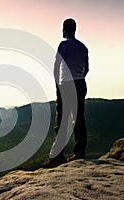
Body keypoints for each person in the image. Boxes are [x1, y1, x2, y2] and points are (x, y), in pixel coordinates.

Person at [43, 18, 89, 168]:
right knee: (79, 118)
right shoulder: (83, 47)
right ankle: (79, 152)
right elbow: (86, 69)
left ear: (64, 29)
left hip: (67, 84)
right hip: (81, 83)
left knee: (62, 120)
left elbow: (57, 66)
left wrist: (58, 84)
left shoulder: (63, 45)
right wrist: (78, 78)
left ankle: (57, 157)